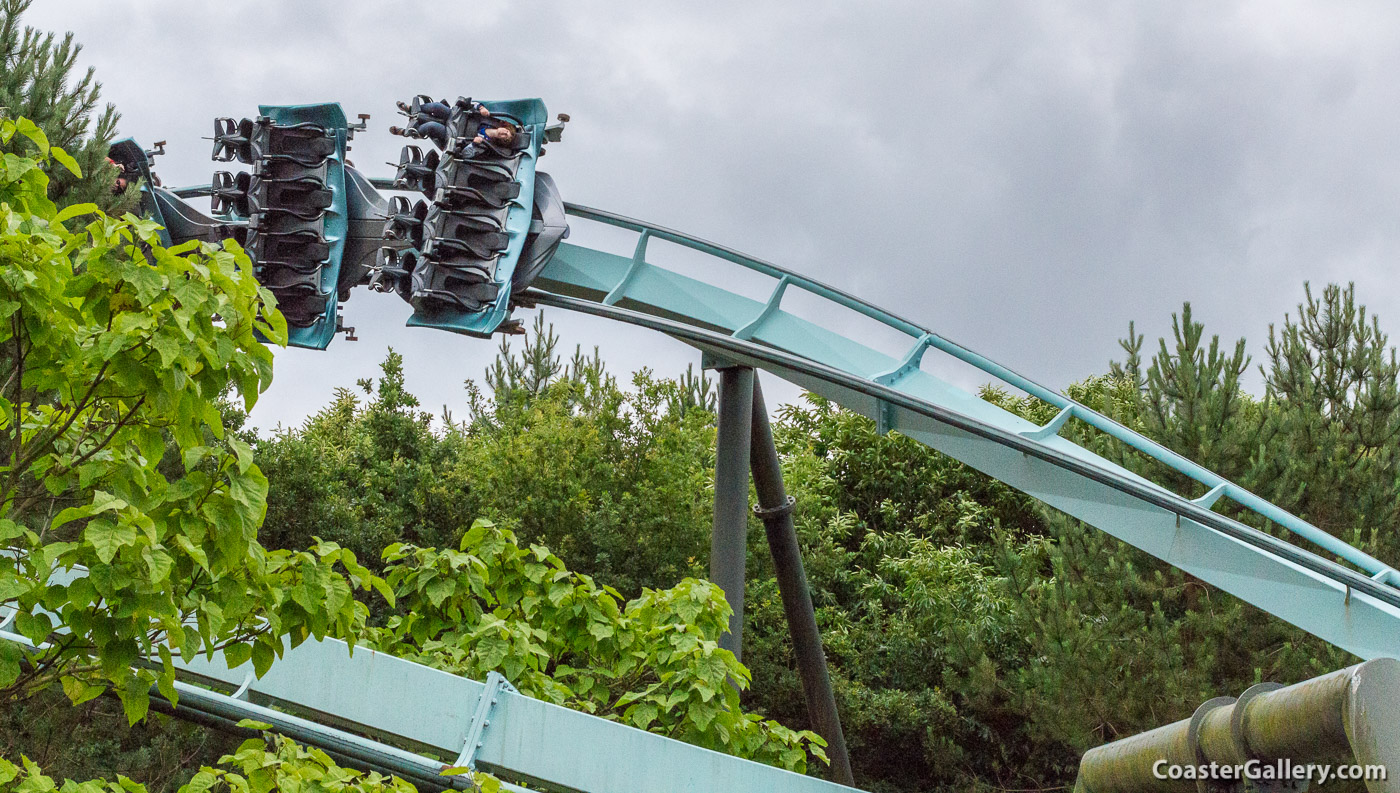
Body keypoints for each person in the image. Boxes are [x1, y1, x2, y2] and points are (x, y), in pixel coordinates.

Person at [389, 98, 517, 152]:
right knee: (436, 106)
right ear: (504, 127)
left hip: (454, 134)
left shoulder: (486, 144)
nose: (503, 133)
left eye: (505, 137)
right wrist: (481, 107)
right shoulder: (490, 120)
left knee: (432, 126)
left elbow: (467, 153)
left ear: (501, 140)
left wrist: (474, 144)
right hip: (457, 118)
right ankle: (411, 109)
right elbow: (472, 103)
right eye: (506, 131)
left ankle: (409, 132)